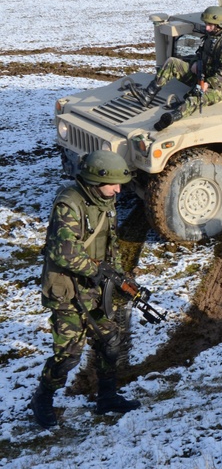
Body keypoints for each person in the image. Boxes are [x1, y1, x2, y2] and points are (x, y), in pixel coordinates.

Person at [30, 151, 140, 428]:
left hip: (93, 287)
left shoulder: (105, 200)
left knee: (110, 340)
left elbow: (109, 242)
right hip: (66, 290)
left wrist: (118, 277)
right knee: (68, 355)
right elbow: (63, 253)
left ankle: (107, 397)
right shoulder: (69, 203)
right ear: (93, 180)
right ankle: (42, 398)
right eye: (113, 184)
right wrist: (97, 272)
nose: (118, 189)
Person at [150, 6, 222, 131]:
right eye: (206, 24)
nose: (207, 28)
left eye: (210, 25)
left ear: (220, 24)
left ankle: (173, 116)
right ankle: (148, 94)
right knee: (172, 62)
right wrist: (194, 63)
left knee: (197, 99)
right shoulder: (212, 36)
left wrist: (208, 84)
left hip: (220, 85)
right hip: (203, 73)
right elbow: (200, 53)